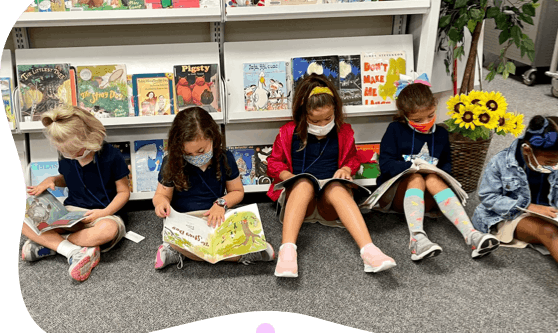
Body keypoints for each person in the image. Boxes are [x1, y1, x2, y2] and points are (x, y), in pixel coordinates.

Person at [267, 74, 396, 278]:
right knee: (303, 183)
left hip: (330, 205)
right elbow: (273, 162)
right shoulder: (288, 132)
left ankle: (369, 251)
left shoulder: (344, 131)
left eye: (328, 118)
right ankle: (288, 251)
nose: (322, 124)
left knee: (336, 187)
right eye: (315, 120)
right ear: (303, 114)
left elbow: (352, 158)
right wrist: (287, 175)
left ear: (335, 111)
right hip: (299, 204)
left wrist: (346, 168)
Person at [472, 113, 558, 316]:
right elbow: (487, 196)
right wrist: (529, 206)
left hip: (549, 213)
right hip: (509, 215)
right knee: (550, 231)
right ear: (528, 149)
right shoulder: (501, 161)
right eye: (549, 161)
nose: (555, 165)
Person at [378, 83, 499, 260]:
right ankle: (417, 240)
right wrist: (411, 167)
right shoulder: (395, 130)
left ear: (435, 107)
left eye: (430, 116)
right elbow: (386, 164)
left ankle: (472, 235)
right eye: (417, 120)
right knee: (417, 178)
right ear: (404, 115)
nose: (426, 123)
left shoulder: (441, 133)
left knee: (433, 178)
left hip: (431, 199)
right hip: (398, 196)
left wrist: (439, 173)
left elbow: (446, 164)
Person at [153, 107, 275, 269]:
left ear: (213, 138)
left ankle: (183, 253)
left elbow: (237, 192)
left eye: (201, 151)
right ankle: (240, 254)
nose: (196, 157)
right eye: (188, 154)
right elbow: (161, 195)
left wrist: (221, 203)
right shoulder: (172, 162)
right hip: (185, 221)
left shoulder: (225, 158)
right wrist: (161, 204)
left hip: (216, 216)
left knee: (239, 231)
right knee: (179, 240)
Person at [22, 106, 130, 282]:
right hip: (71, 212)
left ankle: (54, 244)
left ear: (91, 138)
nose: (72, 156)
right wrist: (53, 180)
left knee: (107, 231)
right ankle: (74, 250)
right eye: (67, 153)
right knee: (25, 219)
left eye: (76, 151)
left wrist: (104, 213)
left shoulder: (112, 156)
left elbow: (124, 192)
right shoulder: (66, 156)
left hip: (105, 213)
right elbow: (68, 179)